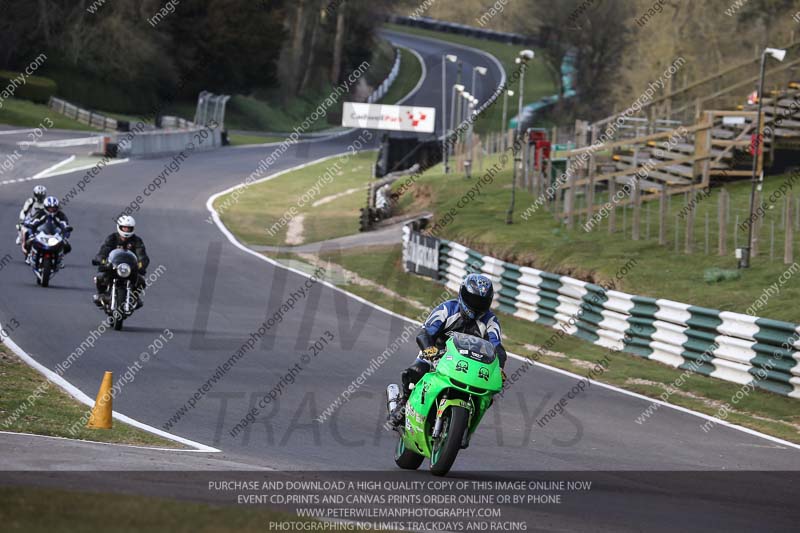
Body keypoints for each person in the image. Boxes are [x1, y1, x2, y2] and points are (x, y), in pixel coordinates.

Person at [388, 273, 508, 428]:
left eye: (481, 301)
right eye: (472, 300)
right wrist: (429, 350)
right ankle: (403, 403)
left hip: (470, 363)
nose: (476, 305)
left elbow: (498, 347)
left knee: (488, 393)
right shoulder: (447, 309)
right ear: (462, 294)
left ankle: (467, 421)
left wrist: (499, 368)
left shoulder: (491, 321)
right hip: (437, 354)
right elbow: (424, 333)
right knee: (417, 370)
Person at [93, 216, 150, 309]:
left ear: (133, 228)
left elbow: (142, 255)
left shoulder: (137, 241)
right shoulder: (112, 238)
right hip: (113, 266)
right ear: (119, 227)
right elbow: (104, 250)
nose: (126, 230)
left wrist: (141, 265)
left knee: (141, 281)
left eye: (129, 228)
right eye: (124, 227)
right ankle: (101, 294)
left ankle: (135, 297)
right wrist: (101, 259)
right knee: (100, 277)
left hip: (130, 268)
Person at [22, 196, 72, 261]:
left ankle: (59, 258)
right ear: (46, 207)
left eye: (54, 208)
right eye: (50, 208)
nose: (52, 210)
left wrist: (65, 237)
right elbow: (33, 223)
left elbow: (65, 225)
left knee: (67, 247)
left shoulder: (61, 215)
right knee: (28, 241)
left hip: (55, 235)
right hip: (41, 233)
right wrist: (31, 235)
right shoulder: (40, 213)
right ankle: (29, 255)